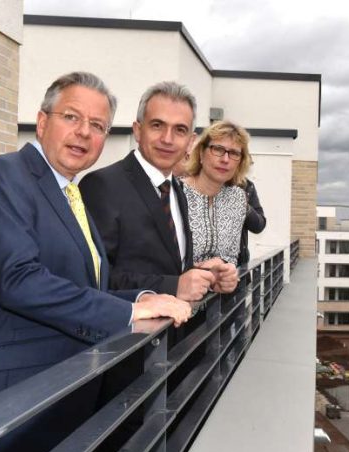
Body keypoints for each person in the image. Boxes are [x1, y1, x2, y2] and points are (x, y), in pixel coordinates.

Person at [0, 72, 191, 452]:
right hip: (10, 402)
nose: (83, 133)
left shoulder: (69, 193)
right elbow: (19, 281)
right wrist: (125, 314)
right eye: (71, 117)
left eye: (97, 126)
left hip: (63, 397)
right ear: (42, 122)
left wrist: (144, 299)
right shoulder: (2, 178)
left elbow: (83, 287)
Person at [80, 82, 238, 300]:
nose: (167, 139)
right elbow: (93, 277)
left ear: (191, 142)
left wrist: (207, 277)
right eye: (157, 125)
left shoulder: (177, 190)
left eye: (180, 130)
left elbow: (170, 265)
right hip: (132, 332)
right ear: (137, 130)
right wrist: (174, 286)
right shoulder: (101, 186)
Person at [181, 121, 252, 268]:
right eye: (218, 149)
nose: (225, 159)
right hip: (177, 289)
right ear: (201, 153)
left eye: (234, 153)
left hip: (220, 290)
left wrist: (223, 263)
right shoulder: (175, 193)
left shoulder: (237, 198)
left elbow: (232, 256)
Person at [237, 177, 267, 266]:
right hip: (202, 268)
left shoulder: (247, 186)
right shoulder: (198, 184)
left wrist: (246, 208)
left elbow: (258, 226)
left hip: (239, 265)